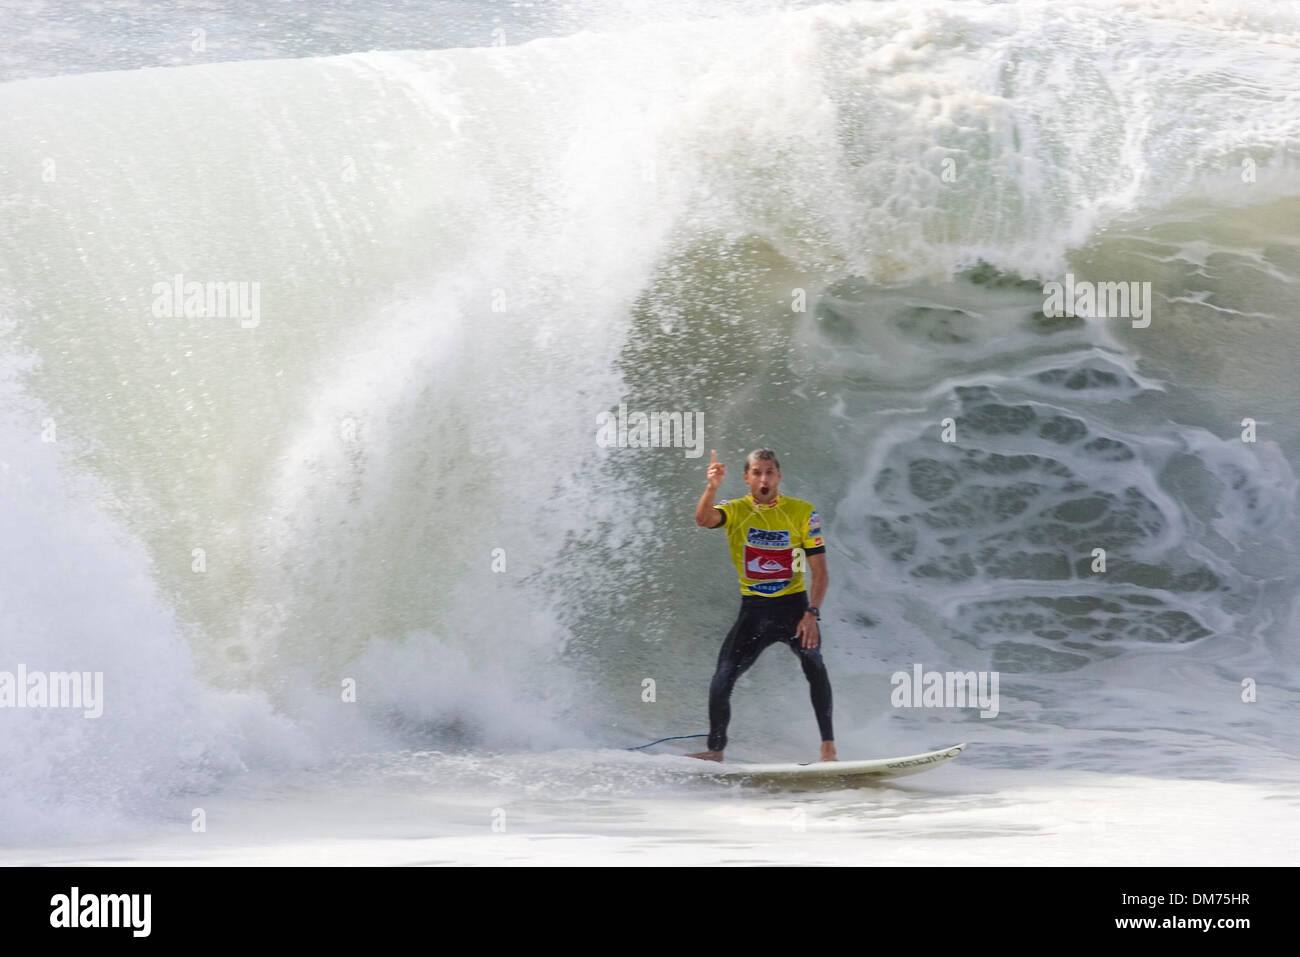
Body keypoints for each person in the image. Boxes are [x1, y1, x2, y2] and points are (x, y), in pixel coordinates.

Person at [688, 448, 835, 762]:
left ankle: (828, 749)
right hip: (754, 612)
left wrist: (812, 614)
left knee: (815, 664)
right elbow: (703, 519)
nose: (764, 478)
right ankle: (715, 751)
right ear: (746, 478)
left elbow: (820, 573)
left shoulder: (802, 512)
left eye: (769, 472)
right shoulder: (736, 510)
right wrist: (712, 486)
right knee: (722, 678)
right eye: (757, 473)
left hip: (795, 610)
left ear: (779, 476)